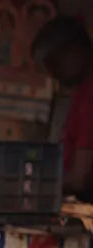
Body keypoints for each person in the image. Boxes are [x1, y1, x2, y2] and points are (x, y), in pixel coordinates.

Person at [32, 16, 93, 202]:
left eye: (55, 62)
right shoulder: (82, 93)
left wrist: (35, 186)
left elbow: (79, 177)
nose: (53, 72)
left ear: (76, 51)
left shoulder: (89, 96)